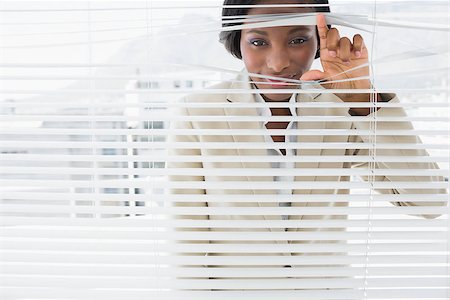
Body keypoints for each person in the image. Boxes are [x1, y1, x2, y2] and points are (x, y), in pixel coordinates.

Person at [166, 0, 446, 291]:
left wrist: (363, 100)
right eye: (258, 42)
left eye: (298, 39)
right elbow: (188, 238)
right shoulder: (199, 111)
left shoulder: (341, 107)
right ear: (237, 42)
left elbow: (428, 202)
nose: (278, 63)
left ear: (320, 38)